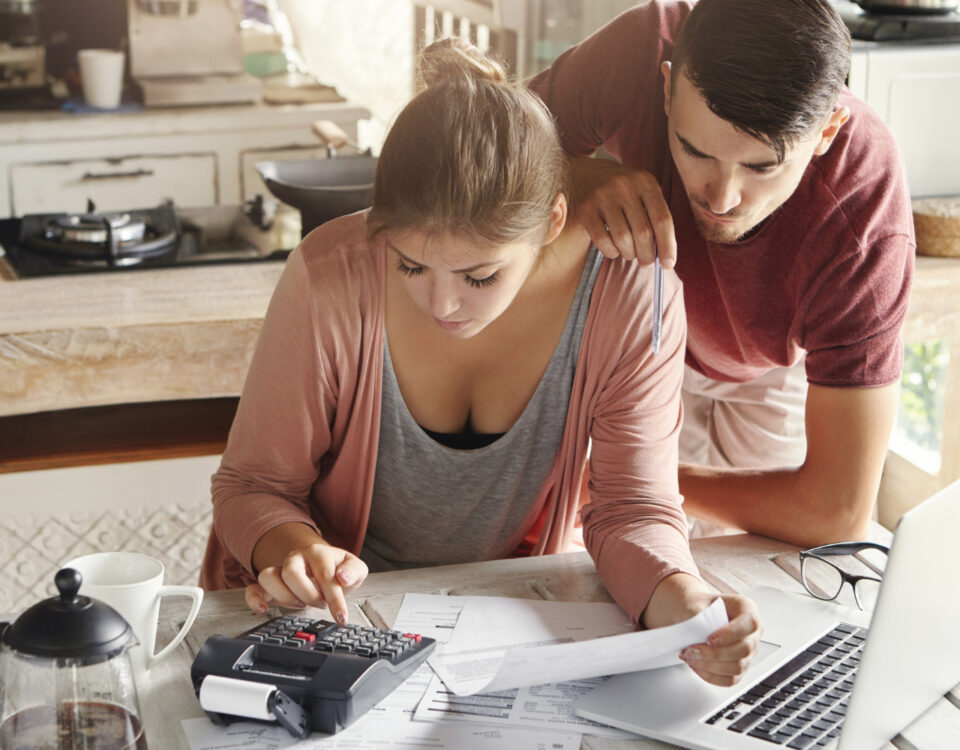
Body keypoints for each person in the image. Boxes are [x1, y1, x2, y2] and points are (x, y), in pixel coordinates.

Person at [200, 38, 761, 687]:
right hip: (323, 626)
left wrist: (684, 603)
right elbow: (252, 488)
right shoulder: (333, 276)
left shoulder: (632, 293)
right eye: (410, 264)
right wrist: (301, 555)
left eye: (480, 274)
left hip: (497, 624)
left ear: (552, 221)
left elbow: (633, 508)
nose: (442, 304)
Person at [529, 0, 915, 545]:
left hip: (768, 370)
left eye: (763, 166)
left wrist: (639, 485)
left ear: (827, 132)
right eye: (695, 149)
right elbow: (473, 147)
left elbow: (835, 511)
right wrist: (569, 177)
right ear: (666, 91)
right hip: (627, 335)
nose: (721, 198)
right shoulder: (642, 47)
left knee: (759, 573)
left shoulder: (863, 209)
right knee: (588, 554)